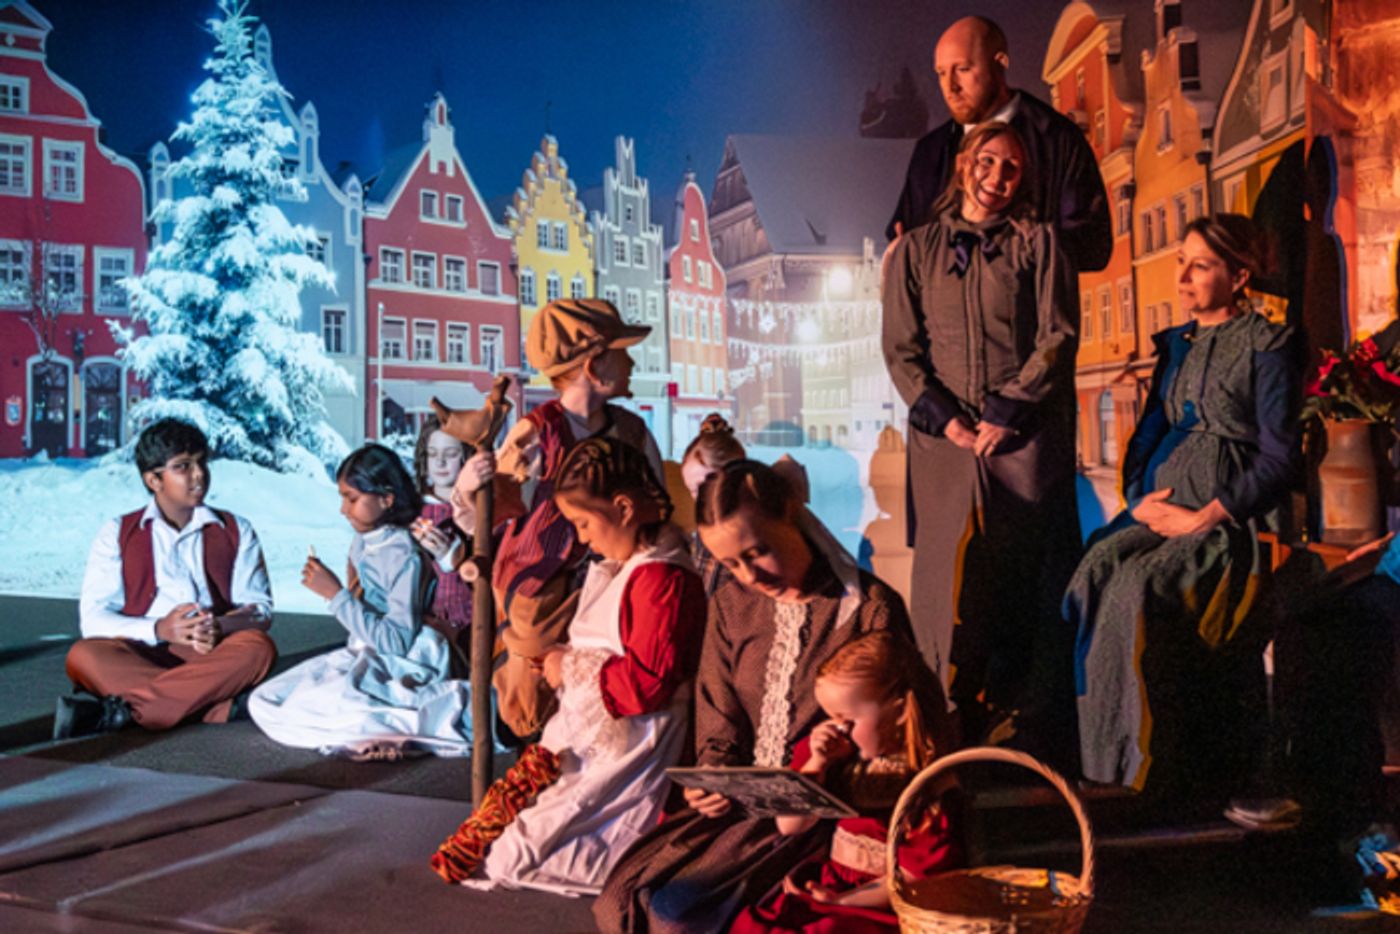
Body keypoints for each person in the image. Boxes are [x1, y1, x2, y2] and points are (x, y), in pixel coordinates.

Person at [594, 460, 918, 934]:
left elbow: (896, 733)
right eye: (729, 564)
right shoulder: (732, 607)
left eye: (759, 552)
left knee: (678, 912)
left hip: (827, 818)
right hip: (740, 810)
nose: (749, 574)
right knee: (622, 896)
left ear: (793, 518)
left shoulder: (866, 609)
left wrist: (818, 773)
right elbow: (716, 716)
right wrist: (711, 780)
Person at [1064, 214, 1299, 798]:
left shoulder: (1268, 345)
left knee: (1136, 590)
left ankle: (1153, 765)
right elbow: (1148, 431)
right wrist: (1138, 498)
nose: (1185, 277)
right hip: (1163, 513)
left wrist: (1206, 515)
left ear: (1239, 274)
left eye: (1201, 265)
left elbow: (1279, 456)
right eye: (1181, 262)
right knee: (1093, 572)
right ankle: (1104, 758)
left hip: (1226, 522)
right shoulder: (1177, 346)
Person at [430, 438, 706, 894]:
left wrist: (570, 667)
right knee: (507, 845)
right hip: (595, 731)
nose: (582, 538)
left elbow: (648, 683)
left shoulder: (663, 579)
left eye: (583, 523)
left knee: (517, 856)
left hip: (634, 743)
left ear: (622, 508)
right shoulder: (631, 568)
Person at [882, 121, 1080, 744]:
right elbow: (900, 350)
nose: (997, 179)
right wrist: (947, 418)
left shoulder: (1039, 243)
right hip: (944, 441)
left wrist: (1007, 410)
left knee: (1021, 576)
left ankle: (1022, 721)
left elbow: (1057, 338)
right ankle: (943, 717)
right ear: (965, 162)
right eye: (988, 162)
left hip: (1021, 439)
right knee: (945, 583)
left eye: (1012, 169)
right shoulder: (915, 251)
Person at [462, 297, 664, 740]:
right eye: (620, 352)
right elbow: (487, 513)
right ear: (593, 365)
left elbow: (658, 505)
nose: (629, 362)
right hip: (541, 588)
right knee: (533, 698)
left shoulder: (632, 433)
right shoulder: (536, 435)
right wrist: (473, 487)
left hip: (611, 581)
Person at [248, 444, 480, 760]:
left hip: (406, 658)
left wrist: (335, 595)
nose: (344, 509)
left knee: (344, 706)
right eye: (343, 497)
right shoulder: (364, 542)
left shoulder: (402, 554)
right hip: (365, 648)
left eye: (352, 499)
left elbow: (396, 640)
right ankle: (371, 732)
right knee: (266, 701)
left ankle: (383, 731)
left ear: (386, 499)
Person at [57, 418, 276, 739]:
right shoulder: (118, 532)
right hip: (140, 650)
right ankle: (215, 706)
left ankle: (123, 712)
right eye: (183, 466)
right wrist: (160, 629)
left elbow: (260, 610)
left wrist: (220, 627)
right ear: (153, 479)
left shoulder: (235, 529)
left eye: (202, 462)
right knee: (83, 656)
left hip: (211, 653)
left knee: (258, 648)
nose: (199, 474)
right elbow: (92, 620)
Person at [732, 630, 961, 933]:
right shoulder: (839, 759)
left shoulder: (927, 782)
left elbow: (915, 875)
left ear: (900, 712)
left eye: (848, 719)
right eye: (830, 717)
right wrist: (818, 764)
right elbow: (789, 825)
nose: (837, 728)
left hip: (880, 903)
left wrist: (841, 902)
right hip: (834, 885)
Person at [885, 15, 1110, 274]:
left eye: (963, 69)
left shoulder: (1058, 138)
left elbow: (1094, 246)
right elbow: (903, 240)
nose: (950, 87)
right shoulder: (930, 150)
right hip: (943, 313)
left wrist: (1010, 252)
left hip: (1026, 311)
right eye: (941, 73)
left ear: (1000, 63)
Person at [409, 416, 492, 648]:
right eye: (433, 454)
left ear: (467, 455)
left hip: (469, 629)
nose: (440, 463)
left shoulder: (482, 510)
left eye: (451, 454)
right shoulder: (412, 511)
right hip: (421, 627)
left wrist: (452, 557)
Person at [679, 413, 747, 596]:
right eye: (693, 491)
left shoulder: (752, 530)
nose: (699, 498)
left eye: (705, 486)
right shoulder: (703, 532)